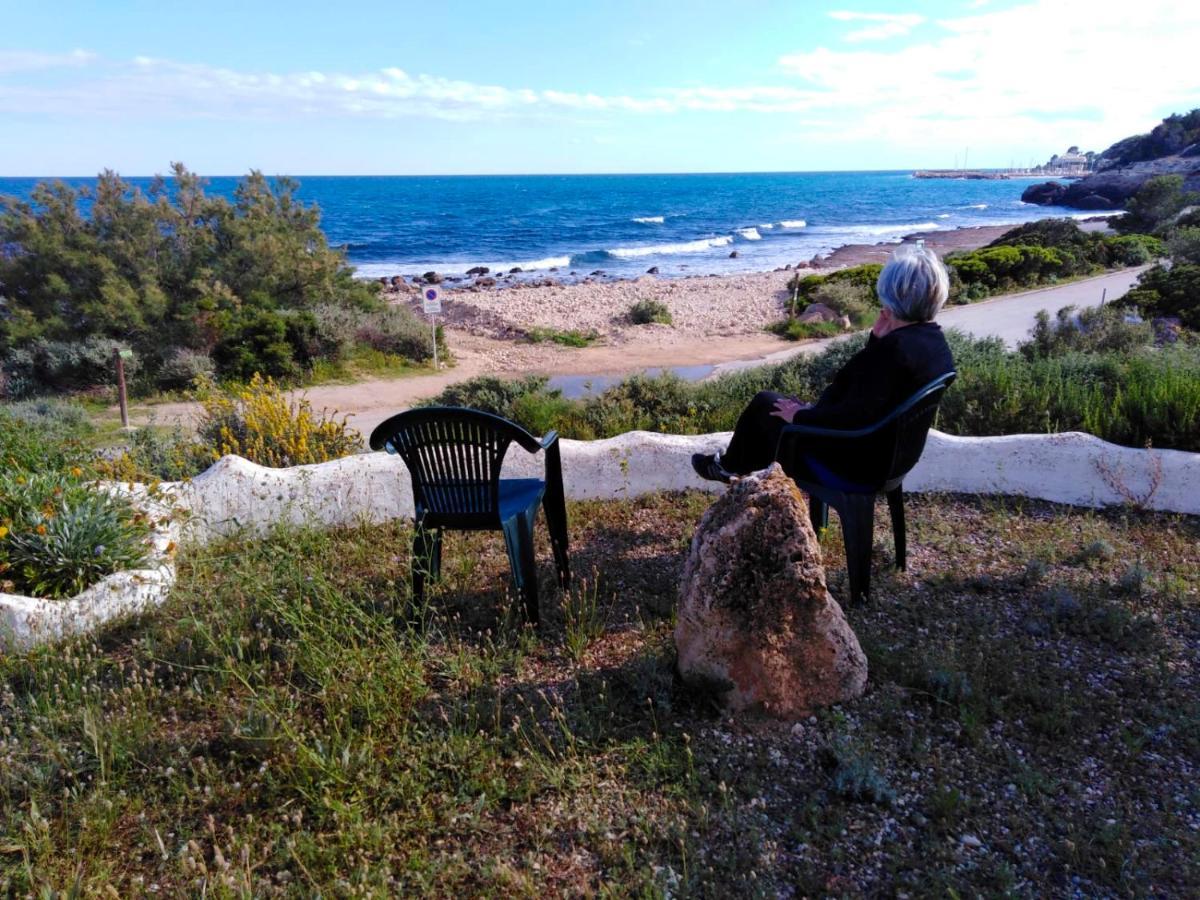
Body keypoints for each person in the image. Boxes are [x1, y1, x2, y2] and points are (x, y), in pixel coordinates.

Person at [692, 243, 955, 484]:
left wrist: (802, 415)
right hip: (889, 459)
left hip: (851, 462)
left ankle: (730, 468)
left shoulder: (894, 351)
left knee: (765, 405)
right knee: (777, 407)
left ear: (891, 295)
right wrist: (877, 339)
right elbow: (868, 397)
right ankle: (737, 471)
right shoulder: (935, 343)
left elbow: (851, 416)